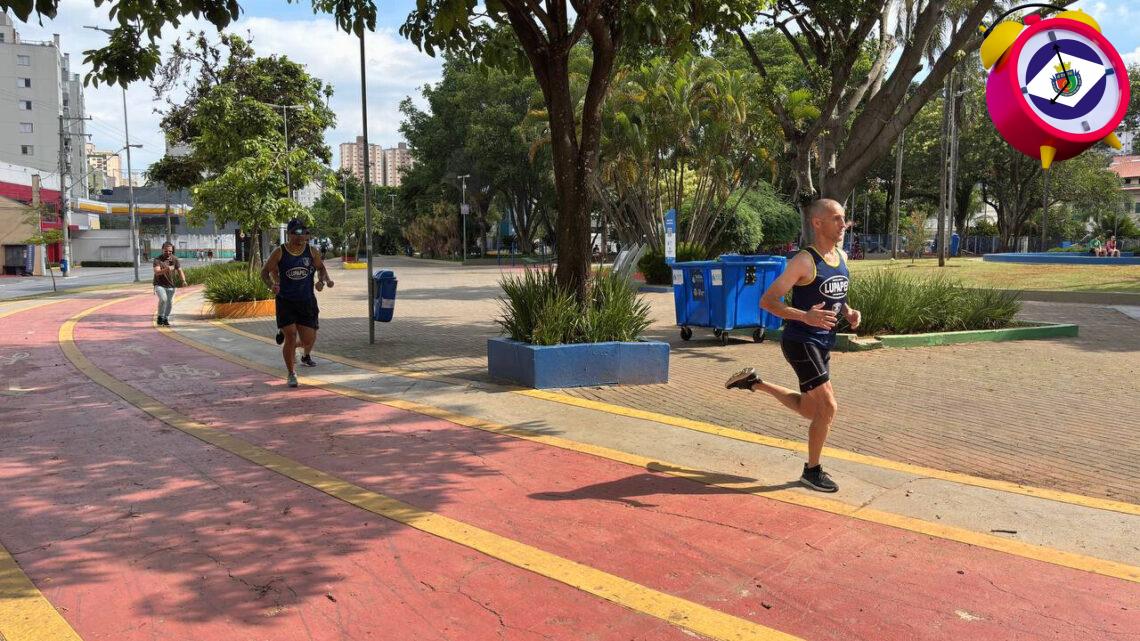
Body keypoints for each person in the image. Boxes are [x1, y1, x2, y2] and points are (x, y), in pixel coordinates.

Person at [724, 199, 862, 493]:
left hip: (824, 342)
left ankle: (755, 383)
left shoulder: (841, 256)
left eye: (844, 219)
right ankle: (812, 471)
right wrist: (806, 316)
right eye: (836, 219)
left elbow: (834, 292)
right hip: (801, 341)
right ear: (817, 223)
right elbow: (768, 301)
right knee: (828, 407)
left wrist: (847, 312)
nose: (843, 225)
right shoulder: (803, 261)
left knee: (811, 411)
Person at [260, 219, 333, 388]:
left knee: (308, 340)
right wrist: (272, 285)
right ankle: (291, 373)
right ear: (289, 233)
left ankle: (291, 347)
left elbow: (321, 268)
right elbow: (264, 272)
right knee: (291, 336)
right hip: (286, 301)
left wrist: (321, 281)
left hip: (306, 301)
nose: (301, 236)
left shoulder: (311, 251)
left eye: (304, 232)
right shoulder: (280, 252)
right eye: (297, 233)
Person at [153, 241, 187, 326]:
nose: (168, 253)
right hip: (159, 284)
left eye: (170, 251)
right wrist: (167, 269)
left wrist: (183, 281)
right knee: (163, 299)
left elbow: (180, 271)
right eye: (166, 251)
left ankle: (166, 318)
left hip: (171, 285)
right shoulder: (157, 260)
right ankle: (160, 317)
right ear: (162, 250)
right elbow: (157, 272)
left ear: (172, 251)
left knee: (170, 302)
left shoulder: (175, 259)